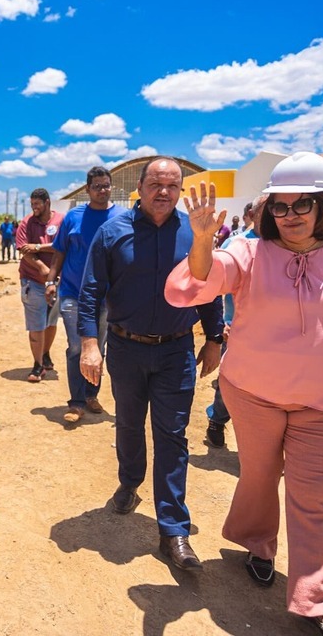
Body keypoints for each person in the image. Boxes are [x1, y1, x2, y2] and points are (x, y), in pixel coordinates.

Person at [165, 151, 323, 636]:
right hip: (252, 394)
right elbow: (200, 284)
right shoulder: (248, 253)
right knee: (259, 475)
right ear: (268, 210)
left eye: (301, 205)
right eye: (280, 206)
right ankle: (257, 543)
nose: (290, 215)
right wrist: (204, 240)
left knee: (313, 497)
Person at [79, 157, 224, 571]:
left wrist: (214, 338)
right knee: (127, 422)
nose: (164, 192)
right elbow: (91, 292)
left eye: (172, 185)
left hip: (175, 351)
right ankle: (129, 482)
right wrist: (91, 343)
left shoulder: (193, 234)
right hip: (125, 348)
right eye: (155, 184)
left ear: (180, 191)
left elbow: (209, 288)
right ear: (139, 188)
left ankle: (173, 530)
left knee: (173, 436)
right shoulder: (112, 232)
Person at [45, 166, 121, 424]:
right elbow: (59, 252)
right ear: (87, 189)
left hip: (107, 296)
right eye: (97, 186)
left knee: (99, 347)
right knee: (77, 346)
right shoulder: (73, 218)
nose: (102, 190)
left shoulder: (122, 217)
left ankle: (91, 395)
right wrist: (50, 281)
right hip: (73, 294)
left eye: (106, 185)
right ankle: (76, 402)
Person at [204, 194, 266, 449]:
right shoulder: (236, 244)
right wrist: (221, 324)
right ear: (251, 216)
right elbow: (216, 286)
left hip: (275, 334)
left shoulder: (285, 245)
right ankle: (217, 421)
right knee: (231, 381)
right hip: (237, 328)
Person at [16, 188, 63, 383]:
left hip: (58, 282)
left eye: (37, 204)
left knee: (51, 323)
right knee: (36, 324)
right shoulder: (27, 223)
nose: (34, 208)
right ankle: (37, 365)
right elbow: (23, 249)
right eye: (32, 204)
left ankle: (45, 354)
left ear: (47, 202)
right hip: (33, 282)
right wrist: (42, 267)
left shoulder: (61, 221)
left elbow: (63, 245)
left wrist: (38, 246)